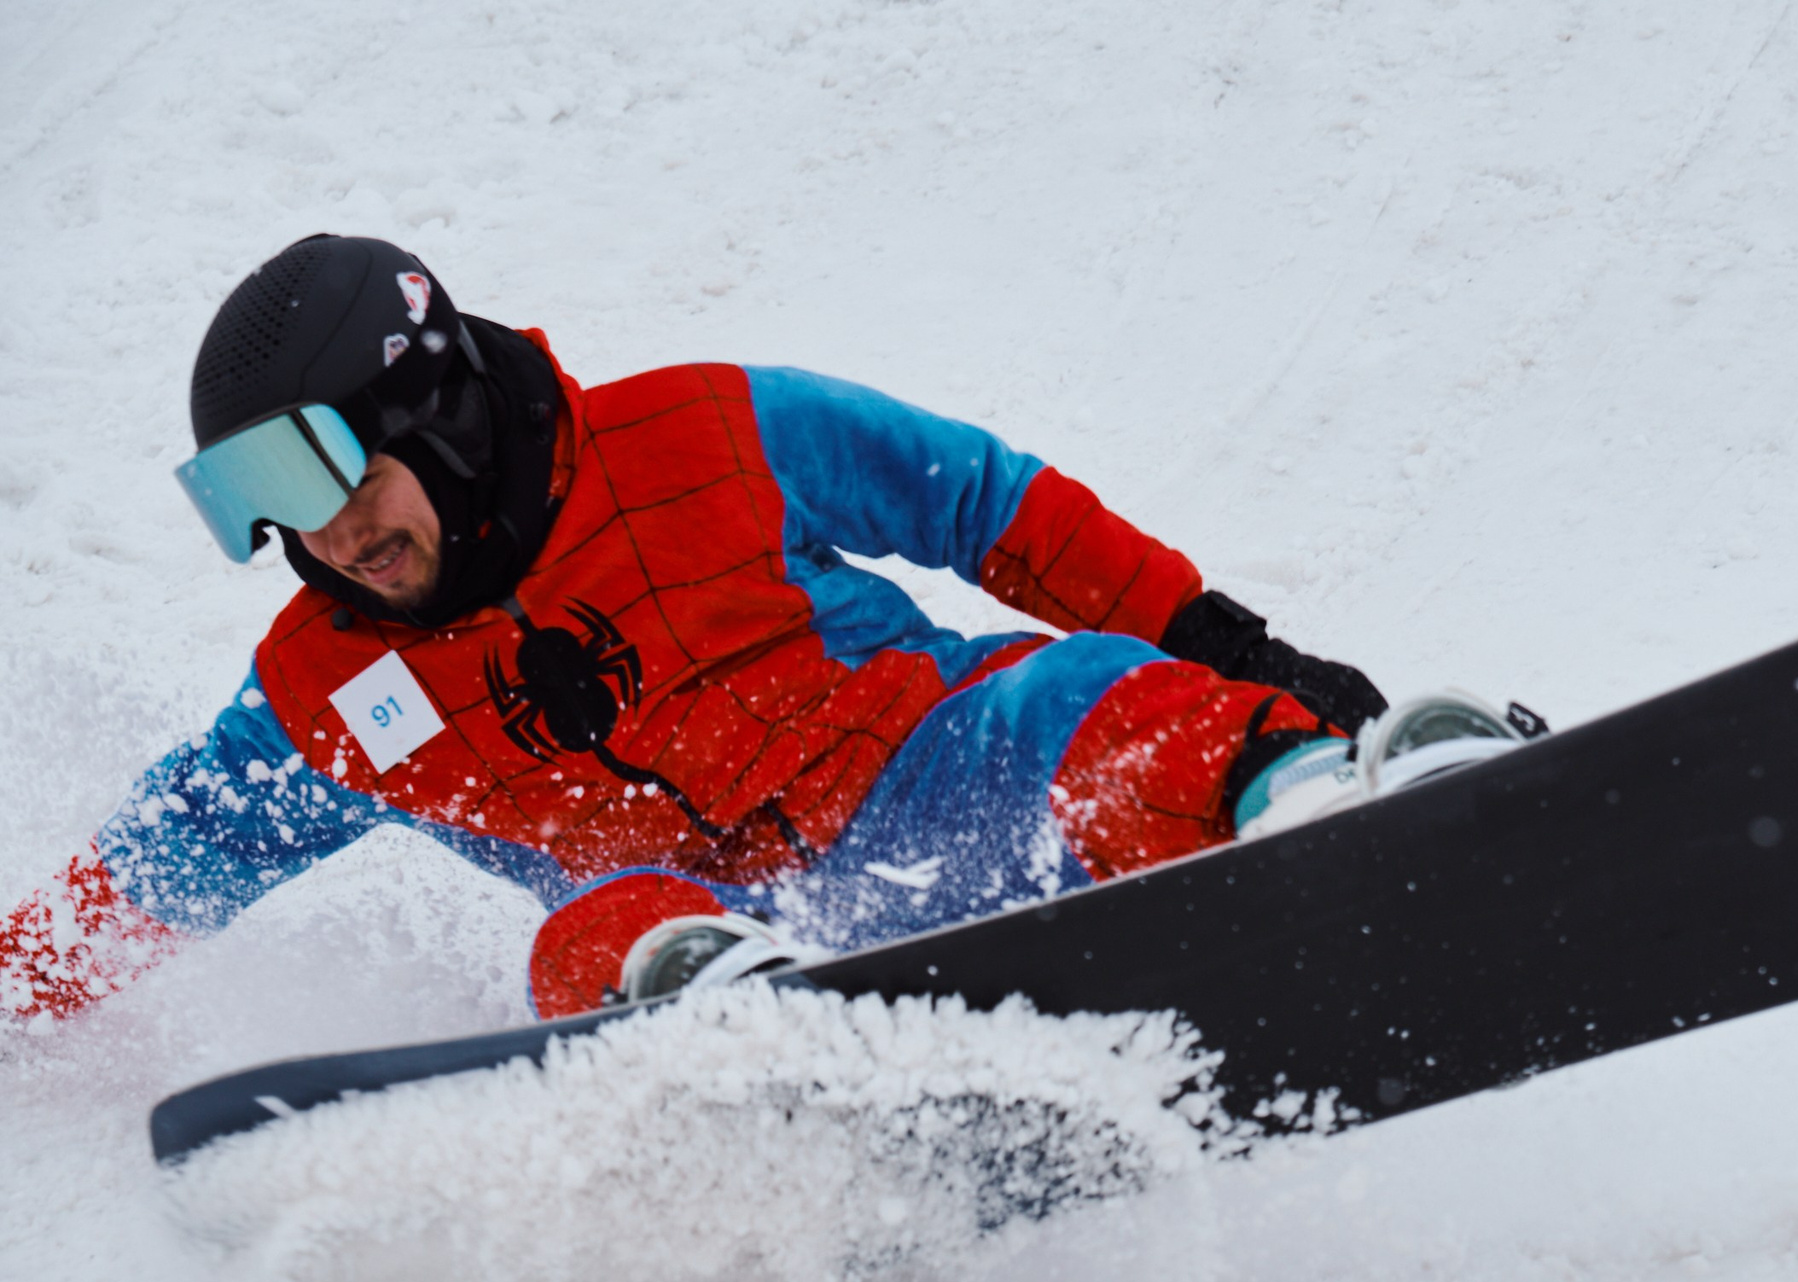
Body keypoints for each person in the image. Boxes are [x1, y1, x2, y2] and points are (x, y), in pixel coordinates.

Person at [1, 235, 1526, 1025]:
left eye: (327, 467)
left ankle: (1323, 806)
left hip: (938, 779)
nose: (322, 535)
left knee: (1090, 700)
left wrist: (1234, 644)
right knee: (580, 933)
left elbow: (985, 505)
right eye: (262, 502)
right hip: (732, 921)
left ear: (431, 409)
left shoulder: (701, 433)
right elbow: (172, 855)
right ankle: (725, 1026)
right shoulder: (332, 684)